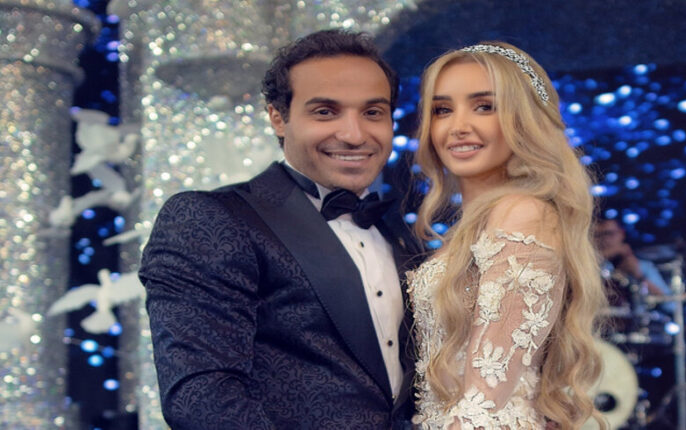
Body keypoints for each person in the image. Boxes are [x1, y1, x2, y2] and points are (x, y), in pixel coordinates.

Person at [139, 29, 423, 429]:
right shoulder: (211, 217)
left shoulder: (400, 235)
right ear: (278, 117)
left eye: (372, 112)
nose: (354, 135)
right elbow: (201, 399)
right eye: (325, 112)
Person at [406, 42, 608, 429]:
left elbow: (485, 401)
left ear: (524, 119)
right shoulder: (481, 224)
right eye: (442, 109)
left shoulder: (521, 214)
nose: (458, 126)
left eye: (484, 106)